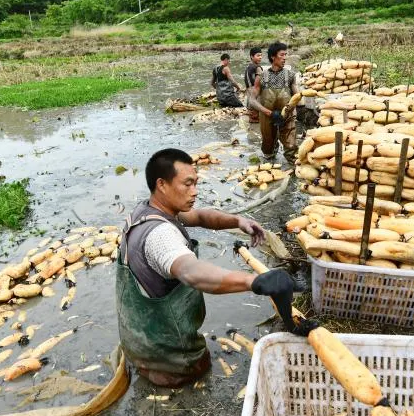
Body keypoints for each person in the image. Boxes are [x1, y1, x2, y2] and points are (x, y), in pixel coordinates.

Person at [116, 148, 297, 387]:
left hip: (140, 344)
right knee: (199, 373)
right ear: (162, 184)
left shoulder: (149, 210)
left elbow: (200, 217)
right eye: (187, 184)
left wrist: (238, 221)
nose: (195, 191)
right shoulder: (160, 236)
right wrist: (253, 281)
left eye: (196, 183)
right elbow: (191, 272)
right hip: (172, 362)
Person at [247, 41, 299, 161]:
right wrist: (269, 113)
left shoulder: (290, 75)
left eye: (286, 54)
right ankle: (271, 159)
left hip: (286, 115)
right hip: (267, 115)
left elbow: (297, 96)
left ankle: (292, 167)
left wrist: (289, 110)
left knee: (291, 146)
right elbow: (252, 100)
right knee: (268, 148)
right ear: (272, 57)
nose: (285, 58)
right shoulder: (261, 76)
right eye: (282, 55)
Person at [243, 47, 264, 123]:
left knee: (253, 111)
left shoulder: (248, 66)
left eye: (261, 55)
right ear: (252, 56)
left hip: (249, 92)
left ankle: (253, 117)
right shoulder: (258, 68)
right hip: (254, 92)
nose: (260, 57)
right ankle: (256, 117)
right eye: (258, 55)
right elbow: (262, 81)